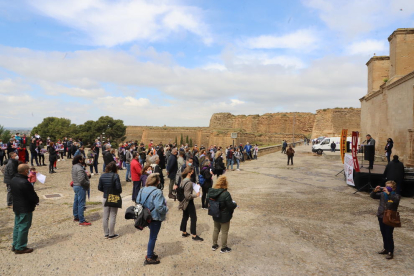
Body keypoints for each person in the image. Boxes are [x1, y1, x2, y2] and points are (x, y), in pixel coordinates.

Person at [137, 173, 168, 265]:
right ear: (158, 182)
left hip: (145, 216)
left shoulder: (142, 189)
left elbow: (138, 201)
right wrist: (166, 209)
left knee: (152, 236)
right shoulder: (158, 192)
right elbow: (159, 207)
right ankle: (149, 257)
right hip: (155, 217)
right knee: (153, 237)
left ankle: (150, 253)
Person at [10, 164, 39, 254]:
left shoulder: (13, 179)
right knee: (23, 226)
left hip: (17, 206)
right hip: (25, 207)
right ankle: (21, 247)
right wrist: (36, 200)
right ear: (26, 171)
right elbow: (31, 195)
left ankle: (15, 244)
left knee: (17, 226)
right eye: (28, 170)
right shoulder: (24, 182)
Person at [370, 181, 401, 260]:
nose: (387, 188)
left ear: (393, 188)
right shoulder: (382, 194)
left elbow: (396, 200)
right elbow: (373, 196)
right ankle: (385, 248)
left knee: (389, 234)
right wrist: (375, 190)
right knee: (383, 233)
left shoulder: (395, 195)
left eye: (389, 186)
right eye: (386, 186)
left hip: (390, 217)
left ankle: (390, 251)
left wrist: (389, 193)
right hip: (381, 215)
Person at [207, 175, 237, 253]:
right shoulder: (225, 194)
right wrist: (235, 204)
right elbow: (230, 205)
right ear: (225, 183)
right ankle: (223, 248)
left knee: (216, 229)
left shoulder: (212, 191)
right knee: (224, 231)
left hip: (215, 213)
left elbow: (207, 200)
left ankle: (214, 245)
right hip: (224, 215)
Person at [98, 162, 122, 239]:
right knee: (113, 215)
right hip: (113, 197)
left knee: (105, 216)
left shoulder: (102, 176)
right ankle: (111, 234)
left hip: (105, 197)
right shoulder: (115, 176)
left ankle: (106, 233)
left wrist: (106, 191)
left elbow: (99, 187)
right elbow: (118, 188)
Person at [178, 166, 203, 241]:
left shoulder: (183, 180)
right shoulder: (189, 182)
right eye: (191, 172)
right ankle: (194, 235)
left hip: (183, 202)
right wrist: (196, 195)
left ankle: (184, 232)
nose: (192, 174)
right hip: (188, 202)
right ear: (189, 172)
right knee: (193, 217)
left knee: (185, 216)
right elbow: (187, 196)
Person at [71, 155, 91, 226]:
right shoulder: (79, 168)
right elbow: (82, 179)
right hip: (80, 186)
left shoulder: (74, 167)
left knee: (76, 202)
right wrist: (88, 183)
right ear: (79, 160)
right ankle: (82, 220)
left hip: (76, 185)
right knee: (81, 203)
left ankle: (76, 216)